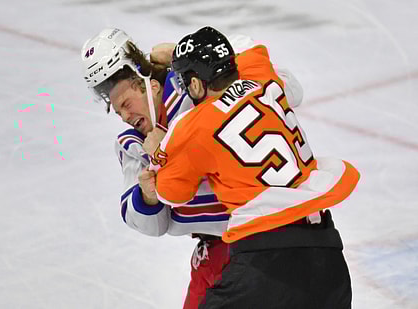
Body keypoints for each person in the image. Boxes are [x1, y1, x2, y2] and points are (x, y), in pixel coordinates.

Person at [81, 28, 307, 308]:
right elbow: (151, 223)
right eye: (118, 112)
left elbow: (290, 90)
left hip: (265, 239)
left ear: (146, 83)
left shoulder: (194, 86)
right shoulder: (133, 144)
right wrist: (148, 195)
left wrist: (185, 55)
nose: (126, 117)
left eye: (127, 104)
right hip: (221, 250)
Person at [146, 26, 360, 309]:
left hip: (265, 265)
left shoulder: (192, 126)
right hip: (327, 257)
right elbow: (247, 46)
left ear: (196, 84)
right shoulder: (263, 77)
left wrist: (157, 151)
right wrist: (178, 52)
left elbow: (171, 193)